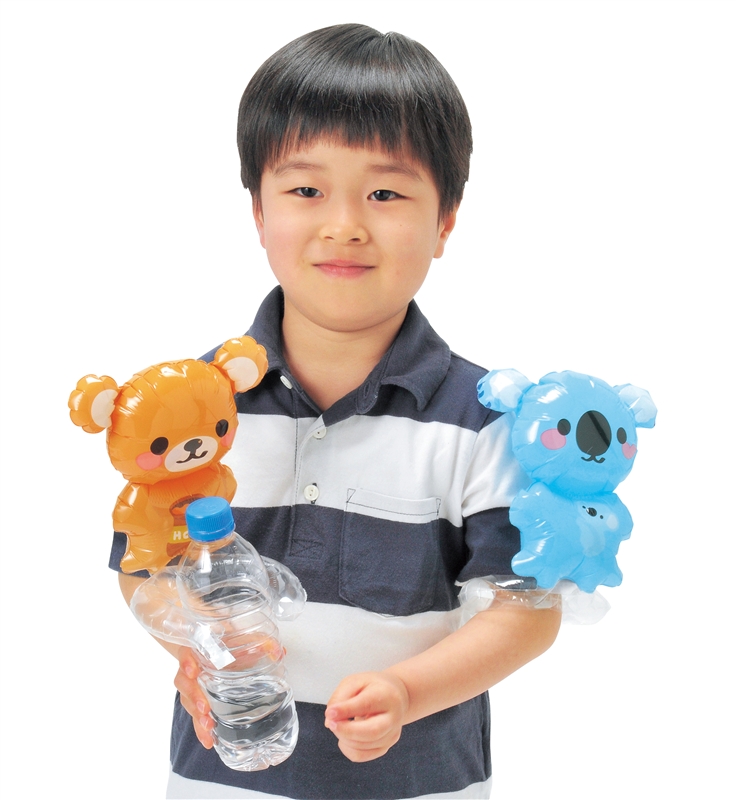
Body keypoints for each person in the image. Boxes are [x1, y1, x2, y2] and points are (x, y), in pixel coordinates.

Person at [116, 23, 561, 800]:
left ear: (446, 220)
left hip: (419, 781)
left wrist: (409, 692)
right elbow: (143, 565)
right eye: (306, 190)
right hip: (222, 779)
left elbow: (525, 610)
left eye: (385, 193)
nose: (345, 223)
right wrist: (188, 645)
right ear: (259, 212)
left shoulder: (486, 421)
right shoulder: (192, 409)